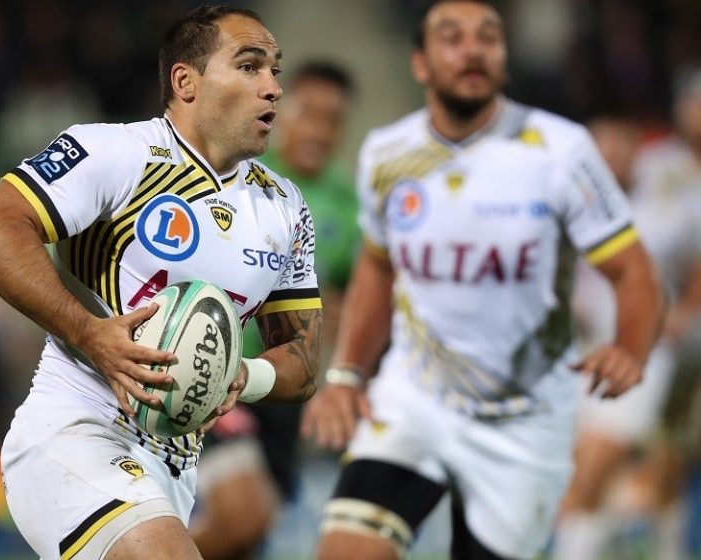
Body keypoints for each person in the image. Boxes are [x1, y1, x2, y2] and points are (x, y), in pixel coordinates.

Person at [0, 6, 322, 560]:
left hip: (174, 466)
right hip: (75, 431)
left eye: (275, 70)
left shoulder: (285, 208)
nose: (272, 87)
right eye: (249, 67)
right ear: (185, 81)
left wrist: (243, 374)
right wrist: (90, 333)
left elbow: (305, 357)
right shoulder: (116, 153)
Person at [300, 1, 664, 559]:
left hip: (523, 419)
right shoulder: (386, 153)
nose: (472, 48)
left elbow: (633, 271)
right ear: (420, 63)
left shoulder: (560, 151)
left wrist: (631, 348)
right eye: (452, 37)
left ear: (504, 59)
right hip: (414, 398)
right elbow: (377, 265)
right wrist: (348, 374)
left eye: (488, 37)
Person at [190, 61, 358, 559]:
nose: (318, 129)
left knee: (254, 533)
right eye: (308, 113)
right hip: (220, 374)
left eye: (332, 119)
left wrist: (342, 378)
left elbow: (349, 299)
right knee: (245, 517)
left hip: (284, 390)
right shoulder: (240, 181)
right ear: (281, 114)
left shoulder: (349, 206)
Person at [555, 80, 701, 560]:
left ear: (638, 146)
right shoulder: (569, 204)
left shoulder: (668, 201)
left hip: (645, 352)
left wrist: (683, 314)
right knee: (607, 486)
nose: (609, 154)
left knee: (593, 472)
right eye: (600, 144)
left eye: (620, 142)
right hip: (580, 350)